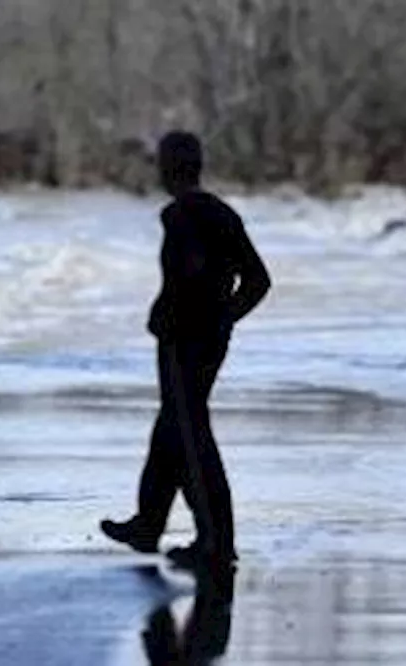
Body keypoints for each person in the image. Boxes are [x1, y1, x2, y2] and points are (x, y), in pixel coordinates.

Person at [101, 130, 271, 571]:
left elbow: (190, 277)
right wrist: (226, 316)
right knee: (172, 431)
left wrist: (179, 318)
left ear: (168, 168)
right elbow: (258, 280)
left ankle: (216, 542)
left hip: (184, 342)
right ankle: (149, 525)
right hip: (205, 338)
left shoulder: (182, 216)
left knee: (191, 438)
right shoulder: (221, 213)